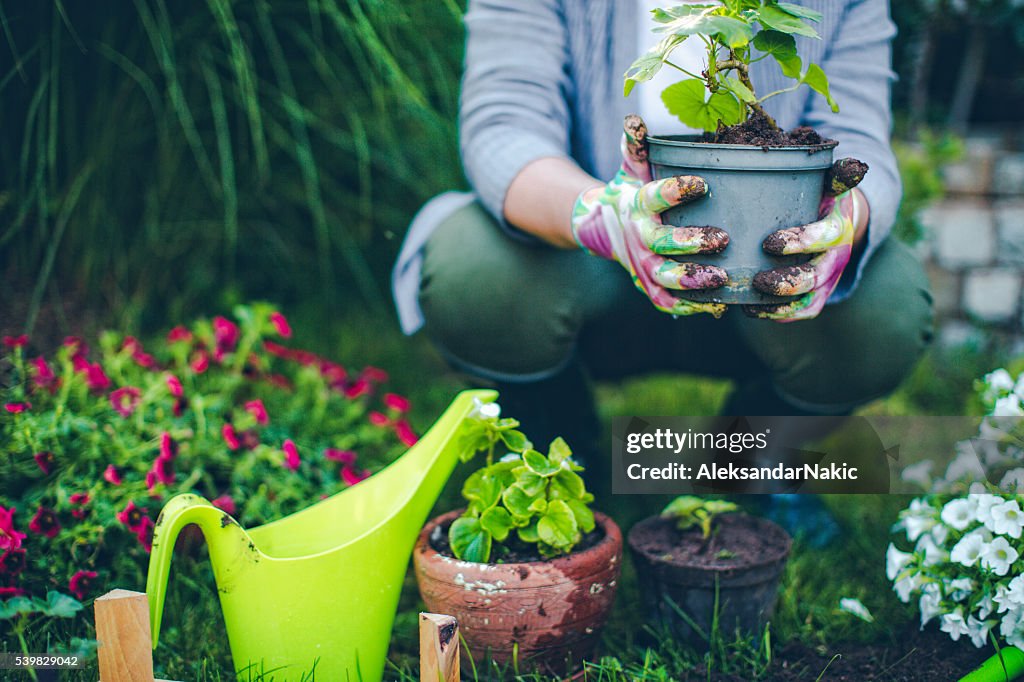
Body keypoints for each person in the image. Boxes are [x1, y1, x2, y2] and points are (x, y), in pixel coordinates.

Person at [391, 0, 933, 461]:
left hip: (767, 270)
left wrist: (846, 220)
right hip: (586, 267)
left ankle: (746, 463)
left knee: (884, 308)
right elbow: (504, 127)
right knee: (473, 269)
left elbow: (859, 138)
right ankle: (559, 449)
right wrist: (603, 217)